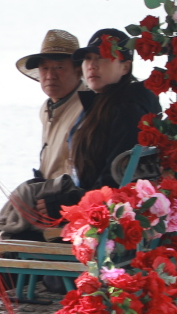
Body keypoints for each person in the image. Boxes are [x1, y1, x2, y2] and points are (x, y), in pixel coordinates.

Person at [38, 28, 163, 223]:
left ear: (125, 67)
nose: (92, 66)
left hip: (111, 217)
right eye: (87, 59)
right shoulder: (102, 104)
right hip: (94, 206)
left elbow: (116, 179)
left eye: (103, 57)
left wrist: (65, 203)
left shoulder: (127, 109)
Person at [0, 28, 89, 240]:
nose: (50, 75)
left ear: (78, 70)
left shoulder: (87, 106)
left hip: (65, 204)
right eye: (45, 68)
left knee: (5, 235)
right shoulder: (47, 108)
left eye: (59, 67)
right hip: (45, 199)